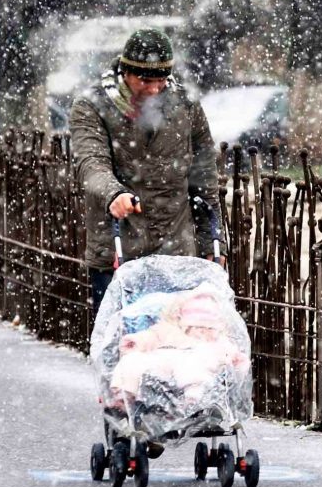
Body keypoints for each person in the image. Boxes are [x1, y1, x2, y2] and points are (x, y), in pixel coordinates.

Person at [69, 28, 223, 318]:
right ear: (125, 72)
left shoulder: (185, 104)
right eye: (145, 80)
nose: (154, 89)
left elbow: (204, 177)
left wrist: (213, 242)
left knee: (176, 337)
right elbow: (91, 163)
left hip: (176, 251)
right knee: (122, 337)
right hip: (118, 249)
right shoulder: (93, 106)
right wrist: (114, 193)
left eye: (161, 80)